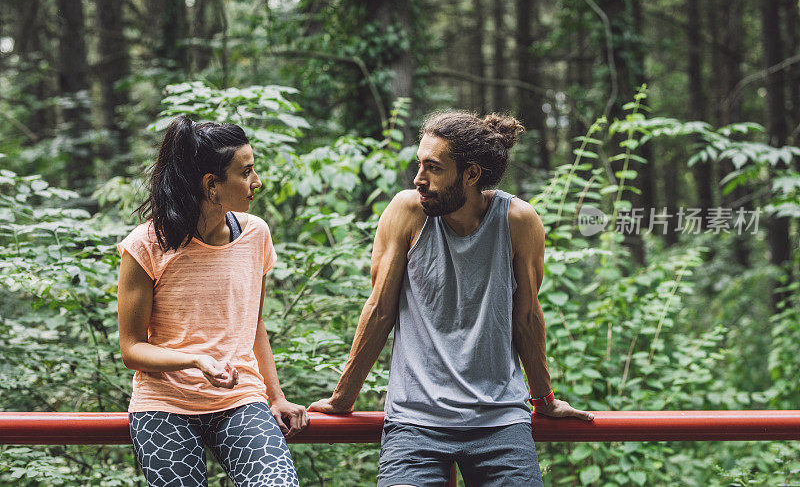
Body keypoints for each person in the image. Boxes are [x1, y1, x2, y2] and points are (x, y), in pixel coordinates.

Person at [309, 111, 594, 486]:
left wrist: (545, 399)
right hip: (415, 423)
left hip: (499, 422)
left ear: (471, 174)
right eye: (419, 165)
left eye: (433, 168)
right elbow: (379, 310)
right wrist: (342, 398)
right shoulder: (407, 212)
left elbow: (526, 318)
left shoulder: (518, 220)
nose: (419, 179)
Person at [117, 116, 308, 487]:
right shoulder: (145, 246)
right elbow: (131, 349)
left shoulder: (256, 234)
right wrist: (196, 359)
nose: (257, 182)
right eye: (246, 172)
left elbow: (254, 324)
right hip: (164, 403)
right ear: (212, 185)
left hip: (240, 401)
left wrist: (277, 396)